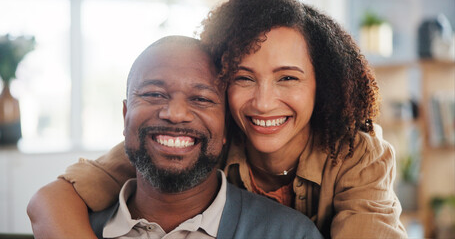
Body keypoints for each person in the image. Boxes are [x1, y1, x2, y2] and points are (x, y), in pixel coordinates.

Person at [28, 0, 407, 238]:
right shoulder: (199, 138)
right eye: (244, 78)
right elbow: (51, 199)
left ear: (320, 86)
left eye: (287, 77)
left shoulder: (355, 153)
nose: (263, 101)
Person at [28, 35, 323, 239]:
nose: (176, 113)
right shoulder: (71, 228)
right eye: (154, 94)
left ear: (226, 130)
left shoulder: (289, 233)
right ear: (124, 115)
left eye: (202, 99)